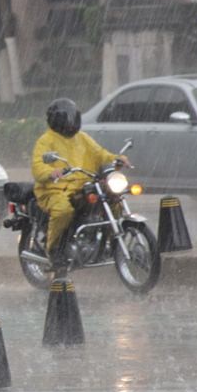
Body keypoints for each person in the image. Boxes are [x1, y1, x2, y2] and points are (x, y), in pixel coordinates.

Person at [32, 98, 130, 267]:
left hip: (83, 186)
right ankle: (53, 248)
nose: (70, 124)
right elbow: (38, 166)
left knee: (114, 201)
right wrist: (51, 172)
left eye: (73, 119)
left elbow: (100, 154)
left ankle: (108, 242)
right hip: (55, 189)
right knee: (63, 210)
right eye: (67, 120)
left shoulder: (82, 138)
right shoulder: (46, 140)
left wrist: (116, 159)